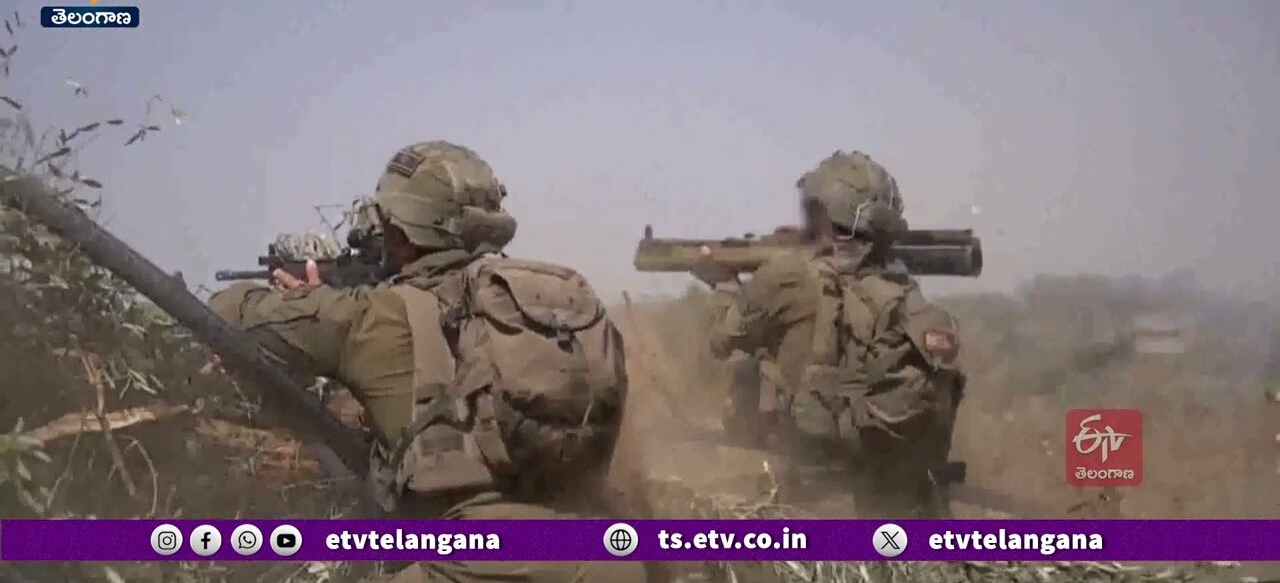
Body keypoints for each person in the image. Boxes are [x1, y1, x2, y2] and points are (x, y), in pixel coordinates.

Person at [210, 141, 646, 583]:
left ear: (400, 236)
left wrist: (310, 301)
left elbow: (227, 313)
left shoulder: (376, 315)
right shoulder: (562, 303)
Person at [690, 150, 966, 517]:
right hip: (899, 487)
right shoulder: (899, 283)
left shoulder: (789, 275)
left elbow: (721, 341)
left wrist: (724, 284)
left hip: (817, 489)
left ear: (826, 212)